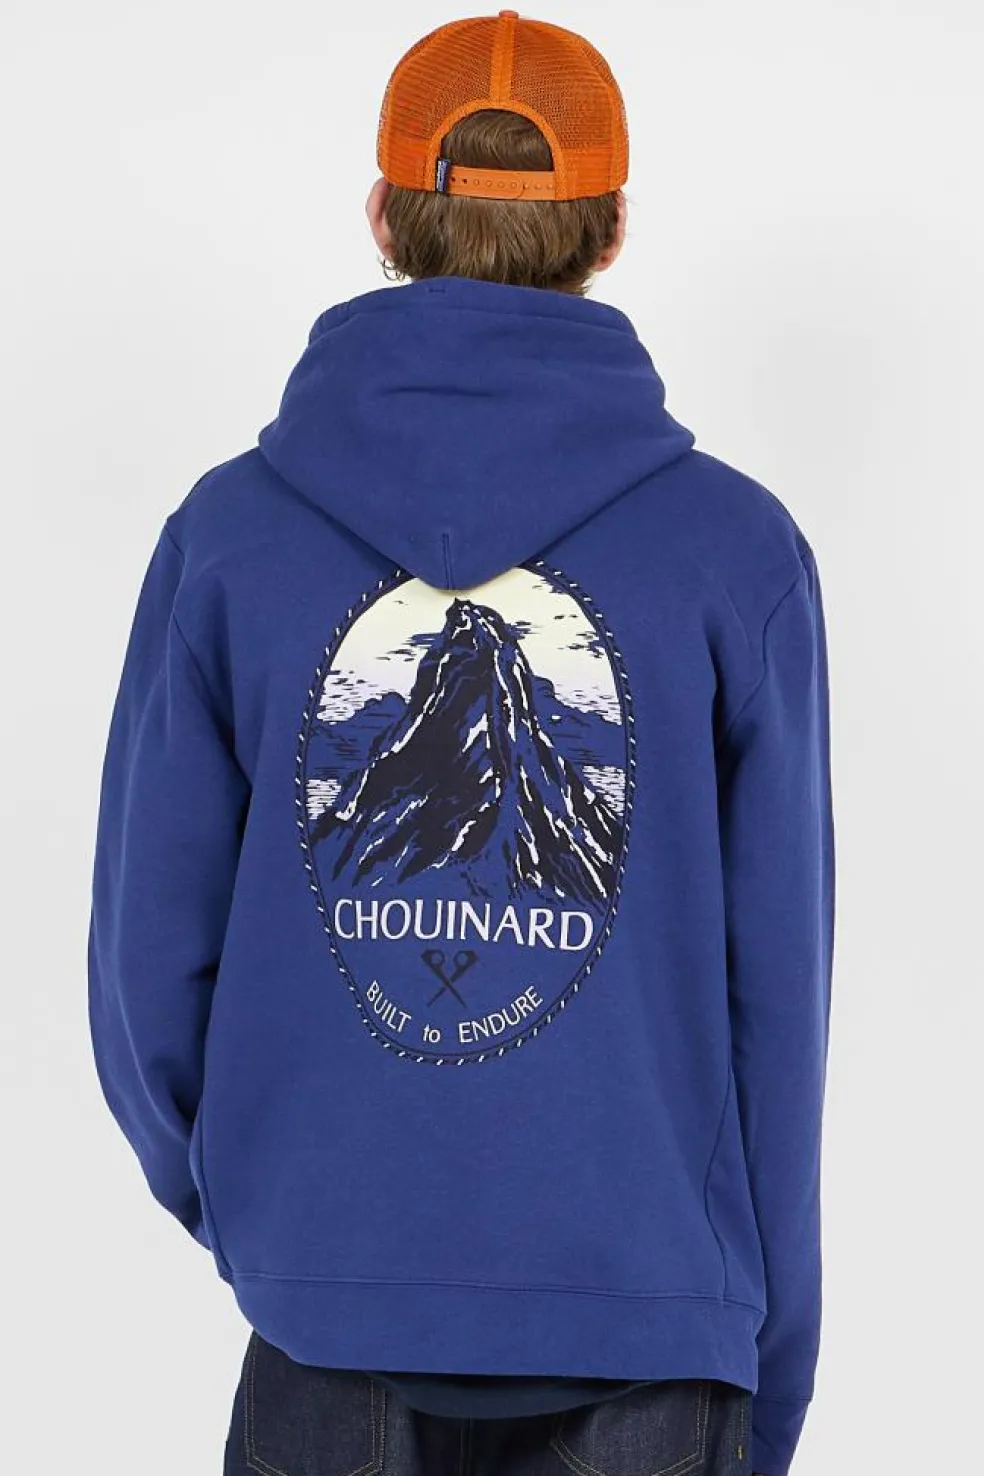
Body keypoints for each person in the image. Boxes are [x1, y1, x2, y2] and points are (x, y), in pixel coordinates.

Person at [88, 11, 834, 1476]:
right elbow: (780, 1011)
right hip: (654, 1321)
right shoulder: (736, 553)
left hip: (326, 1311)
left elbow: (142, 967)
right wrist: (772, 1357)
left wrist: (281, 1215)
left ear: (383, 215)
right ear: (611, 230)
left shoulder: (230, 539)